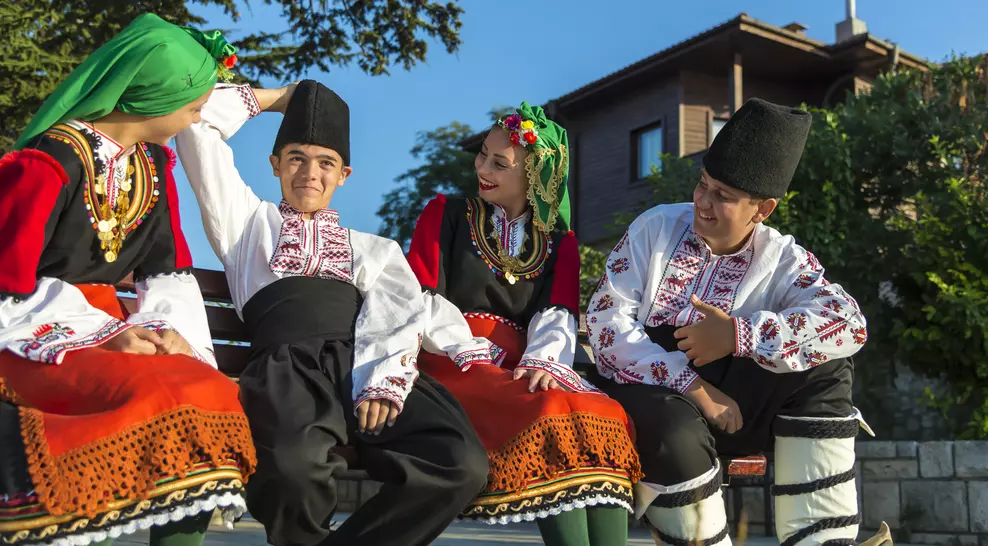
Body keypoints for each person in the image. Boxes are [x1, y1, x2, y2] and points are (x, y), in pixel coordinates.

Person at [174, 80, 490, 546]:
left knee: (460, 462)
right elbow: (196, 127)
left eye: (326, 163)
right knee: (291, 468)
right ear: (275, 164)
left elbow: (397, 311)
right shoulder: (244, 224)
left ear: (344, 175)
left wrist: (383, 379)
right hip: (287, 371)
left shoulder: (374, 248)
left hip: (365, 364)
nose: (310, 173)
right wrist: (277, 99)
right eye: (297, 158)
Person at [0, 14, 256, 546]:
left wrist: (165, 331)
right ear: (153, 97)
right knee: (174, 399)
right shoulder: (46, 163)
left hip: (104, 331)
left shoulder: (153, 167)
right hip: (29, 334)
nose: (198, 117)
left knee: (206, 389)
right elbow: (8, 283)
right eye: (194, 105)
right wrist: (105, 333)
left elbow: (167, 266)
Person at [585, 97, 877, 546]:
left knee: (828, 366)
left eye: (724, 196)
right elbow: (607, 326)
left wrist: (738, 336)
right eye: (703, 184)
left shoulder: (782, 257)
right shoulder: (655, 228)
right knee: (672, 427)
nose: (702, 202)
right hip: (658, 401)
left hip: (742, 414)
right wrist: (697, 389)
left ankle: (821, 541)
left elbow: (850, 324)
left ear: (763, 210)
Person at [406, 103, 642, 546]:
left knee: (602, 413)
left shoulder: (559, 241)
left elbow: (557, 313)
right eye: (482, 155)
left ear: (534, 175)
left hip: (521, 363)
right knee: (547, 411)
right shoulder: (448, 214)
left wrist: (544, 362)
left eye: (500, 162)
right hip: (451, 359)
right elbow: (422, 294)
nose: (483, 168)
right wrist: (464, 345)